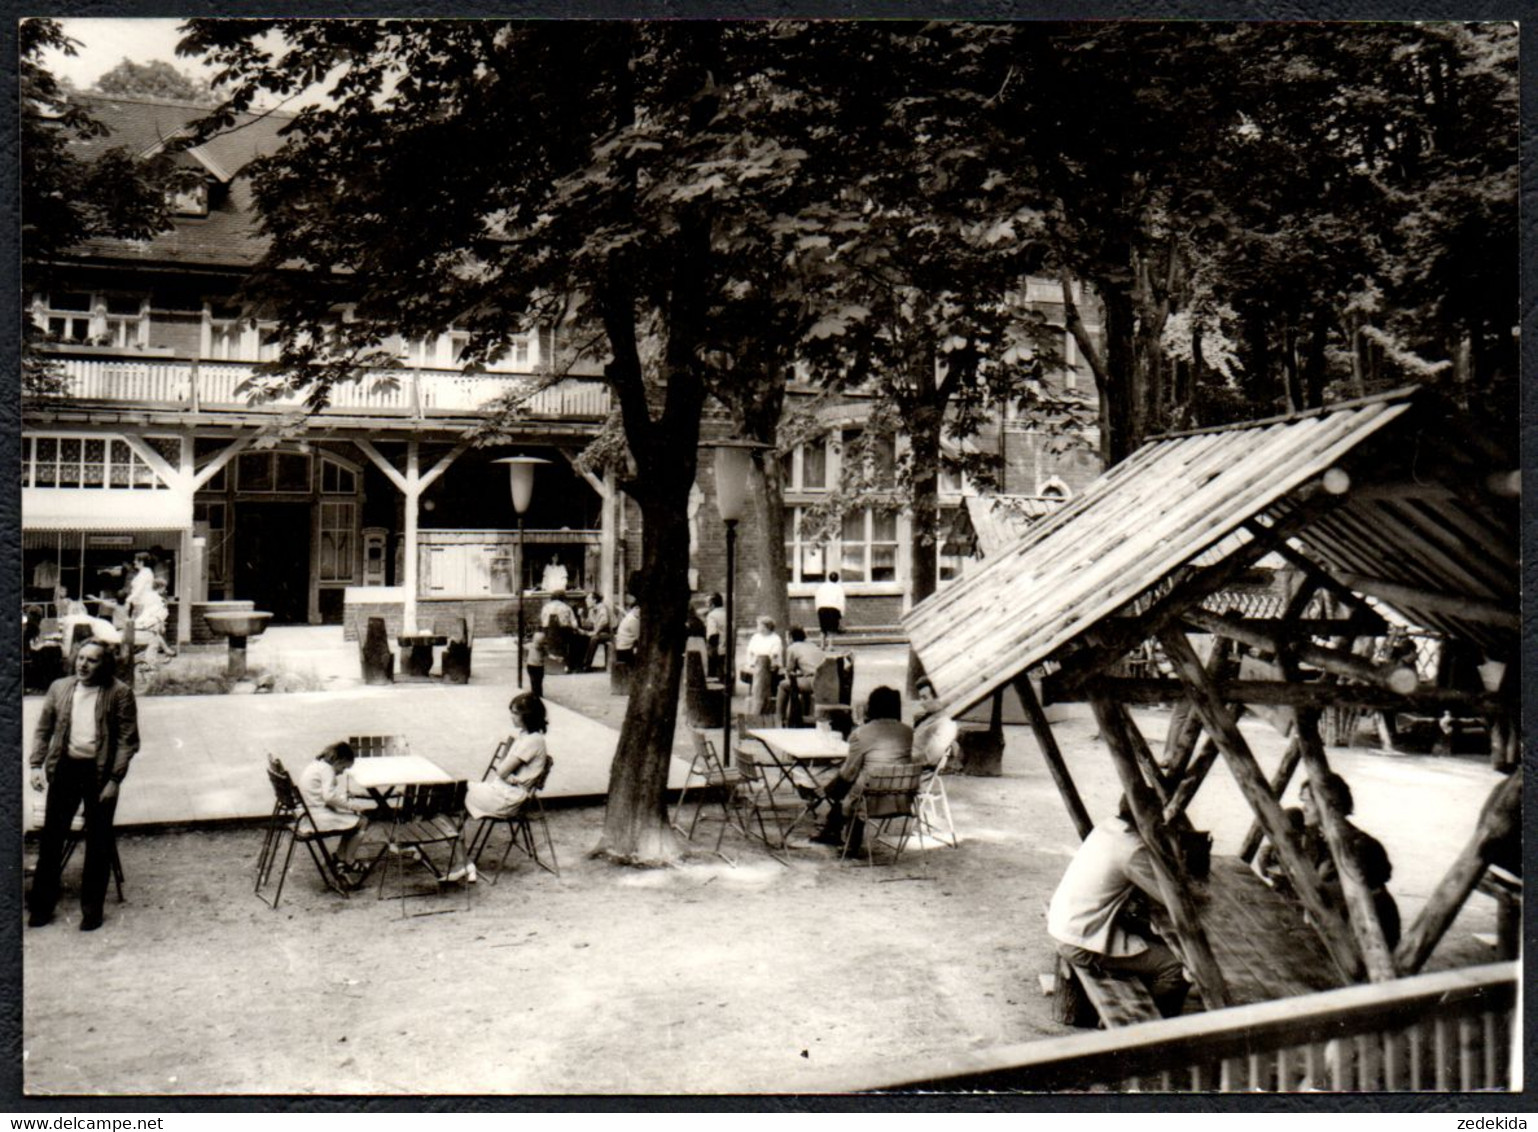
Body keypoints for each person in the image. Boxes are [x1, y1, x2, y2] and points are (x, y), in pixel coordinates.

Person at [28, 639, 141, 931]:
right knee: (52, 838)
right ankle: (41, 906)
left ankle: (92, 910)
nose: (83, 664)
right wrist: (35, 765)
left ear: (105, 664)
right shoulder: (60, 688)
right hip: (65, 769)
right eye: (81, 658)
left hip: (100, 774)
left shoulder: (120, 693)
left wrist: (115, 780)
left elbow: (128, 741)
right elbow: (43, 729)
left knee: (98, 841)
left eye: (92, 660)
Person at [1047, 798, 1191, 1018]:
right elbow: (1174, 898)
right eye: (1159, 816)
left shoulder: (1108, 827)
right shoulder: (1133, 849)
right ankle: (1156, 1034)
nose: (1162, 821)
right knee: (1176, 967)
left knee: (1155, 937)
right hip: (1080, 941)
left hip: (1066, 923)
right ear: (1148, 817)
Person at [1261, 773, 1401, 948]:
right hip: (1334, 924)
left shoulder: (1361, 845)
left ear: (1327, 805)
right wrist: (1276, 846)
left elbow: (1341, 896)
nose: (1304, 808)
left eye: (1308, 802)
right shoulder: (1313, 837)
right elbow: (1268, 867)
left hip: (1366, 931)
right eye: (1302, 801)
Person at [447, 692, 553, 883]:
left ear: (527, 716)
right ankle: (461, 860)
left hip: (507, 798)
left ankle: (461, 861)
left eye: (515, 713)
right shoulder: (526, 736)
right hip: (502, 790)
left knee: (452, 794)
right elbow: (503, 771)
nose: (511, 716)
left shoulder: (532, 740)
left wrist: (507, 773)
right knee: (451, 794)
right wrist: (508, 773)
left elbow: (502, 770)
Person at [811, 685, 914, 851]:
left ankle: (840, 833)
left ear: (871, 707)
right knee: (856, 781)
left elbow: (849, 772)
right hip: (901, 796)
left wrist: (829, 789)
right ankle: (831, 826)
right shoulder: (908, 732)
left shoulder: (861, 733)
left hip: (869, 798)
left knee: (845, 783)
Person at [297, 741, 372, 873]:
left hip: (308, 814)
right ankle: (349, 861)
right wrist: (351, 806)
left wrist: (344, 802)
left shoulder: (317, 765)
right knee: (362, 821)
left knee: (352, 820)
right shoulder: (327, 770)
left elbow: (322, 794)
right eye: (343, 768)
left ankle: (340, 857)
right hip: (317, 818)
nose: (342, 772)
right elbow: (329, 797)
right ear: (338, 760)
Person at [776, 626, 826, 725]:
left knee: (783, 685)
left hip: (812, 681)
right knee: (801, 683)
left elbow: (789, 670)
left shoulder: (792, 648)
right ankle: (804, 714)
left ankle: (779, 718)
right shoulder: (813, 645)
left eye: (787, 638)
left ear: (790, 637)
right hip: (825, 681)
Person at [739, 616, 785, 685]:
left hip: (770, 667)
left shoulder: (776, 639)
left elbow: (773, 655)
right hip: (755, 664)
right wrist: (750, 663)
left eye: (759, 625)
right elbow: (750, 651)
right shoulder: (755, 637)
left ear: (766, 627)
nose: (757, 627)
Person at [580, 593, 615, 672]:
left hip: (608, 633)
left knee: (594, 638)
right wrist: (581, 616)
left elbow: (604, 621)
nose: (586, 600)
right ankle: (579, 663)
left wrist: (595, 631)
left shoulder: (602, 608)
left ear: (594, 600)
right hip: (599, 632)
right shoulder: (591, 610)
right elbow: (588, 625)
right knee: (582, 636)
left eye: (588, 599)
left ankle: (587, 665)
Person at [814, 571, 847, 649]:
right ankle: (830, 645)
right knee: (832, 628)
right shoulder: (839, 588)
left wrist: (818, 608)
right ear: (837, 579)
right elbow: (841, 601)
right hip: (833, 608)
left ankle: (822, 645)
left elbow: (817, 597)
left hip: (822, 607)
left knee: (823, 628)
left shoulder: (822, 586)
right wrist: (842, 613)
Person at [703, 593, 726, 678]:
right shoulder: (726, 613)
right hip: (726, 648)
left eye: (707, 603)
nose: (706, 605)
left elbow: (713, 635)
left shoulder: (712, 616)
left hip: (717, 650)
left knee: (715, 675)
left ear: (712, 604)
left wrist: (710, 651)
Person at [614, 598, 641, 666]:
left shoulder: (629, 616)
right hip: (626, 650)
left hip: (622, 648)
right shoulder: (633, 620)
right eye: (638, 609)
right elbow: (638, 637)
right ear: (635, 608)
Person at [525, 630, 547, 697]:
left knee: (538, 681)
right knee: (534, 681)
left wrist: (556, 658)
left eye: (540, 644)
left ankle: (538, 695)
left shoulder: (542, 648)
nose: (538, 646)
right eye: (537, 643)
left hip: (539, 666)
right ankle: (535, 695)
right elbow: (523, 645)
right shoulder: (530, 646)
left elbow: (547, 654)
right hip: (532, 666)